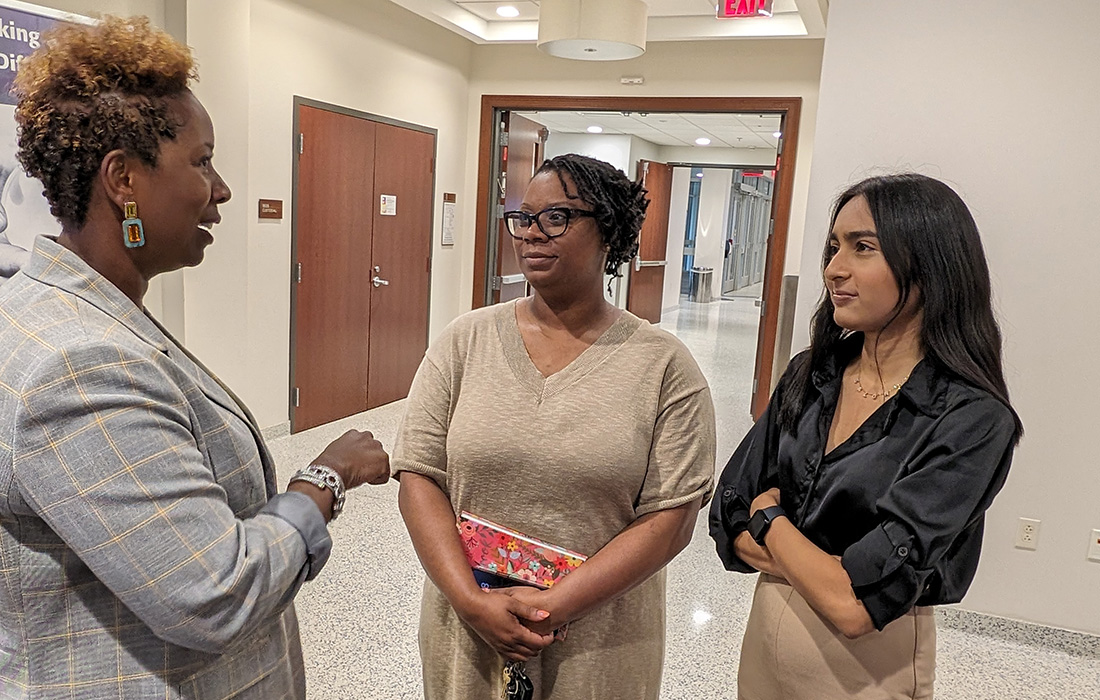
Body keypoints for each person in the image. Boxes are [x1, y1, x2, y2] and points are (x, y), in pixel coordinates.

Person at [0, 17, 390, 699]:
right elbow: (214, 591)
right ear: (123, 179)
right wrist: (325, 478)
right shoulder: (78, 363)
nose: (222, 189)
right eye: (202, 161)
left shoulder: (67, 311)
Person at [394, 153, 716, 699]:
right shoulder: (464, 342)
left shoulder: (664, 366)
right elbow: (418, 475)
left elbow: (671, 518)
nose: (532, 234)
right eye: (523, 218)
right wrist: (472, 602)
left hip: (600, 643)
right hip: (470, 630)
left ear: (609, 233)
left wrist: (551, 607)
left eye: (557, 218)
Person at [710, 173, 1022, 699]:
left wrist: (770, 518)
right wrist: (820, 567)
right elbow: (727, 513)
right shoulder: (811, 374)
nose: (834, 269)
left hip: (866, 670)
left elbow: (856, 607)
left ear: (929, 267)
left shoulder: (971, 419)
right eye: (834, 247)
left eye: (863, 248)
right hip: (764, 644)